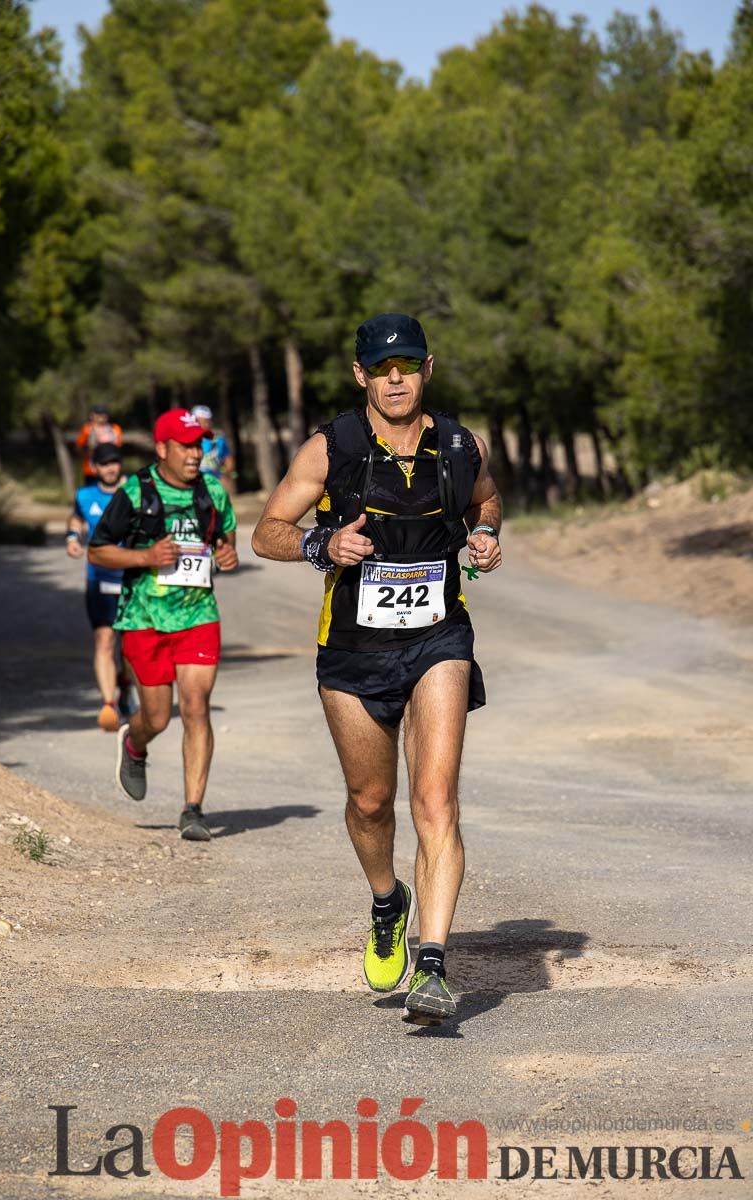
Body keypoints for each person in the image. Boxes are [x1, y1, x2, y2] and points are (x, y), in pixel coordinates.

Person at [251, 313, 503, 1025]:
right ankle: (386, 901)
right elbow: (267, 531)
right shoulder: (330, 447)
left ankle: (431, 966)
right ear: (361, 375)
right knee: (370, 803)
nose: (397, 379)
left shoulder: (459, 443)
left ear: (428, 368)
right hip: (354, 651)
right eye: (382, 368)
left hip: (439, 640)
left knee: (436, 801)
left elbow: (486, 497)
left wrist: (484, 532)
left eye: (409, 365)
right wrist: (320, 545)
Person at [88, 408, 239, 842]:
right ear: (162, 448)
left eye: (199, 445)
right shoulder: (135, 493)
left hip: (197, 615)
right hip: (143, 619)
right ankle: (135, 744)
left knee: (195, 706)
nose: (195, 454)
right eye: (186, 445)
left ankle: (193, 809)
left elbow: (223, 539)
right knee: (156, 717)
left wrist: (227, 555)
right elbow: (99, 551)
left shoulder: (212, 491)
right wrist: (144, 557)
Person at [67, 443, 133, 732]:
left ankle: (127, 687)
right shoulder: (85, 495)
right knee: (104, 642)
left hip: (132, 578)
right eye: (104, 464)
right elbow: (77, 518)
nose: (110, 468)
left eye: (115, 462)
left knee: (130, 648)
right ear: (94, 467)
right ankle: (109, 703)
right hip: (99, 578)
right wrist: (72, 536)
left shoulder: (135, 491)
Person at [191, 405, 236, 492]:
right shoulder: (185, 440)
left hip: (214, 482)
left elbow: (228, 460)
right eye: (200, 421)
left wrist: (225, 475)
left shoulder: (218, 440)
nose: (205, 424)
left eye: (207, 420)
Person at [75, 406, 123, 484]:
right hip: (91, 470)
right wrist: (89, 453)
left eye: (103, 414)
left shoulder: (115, 429)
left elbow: (118, 447)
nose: (101, 417)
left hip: (111, 470)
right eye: (98, 414)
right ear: (92, 416)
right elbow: (79, 447)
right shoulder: (87, 429)